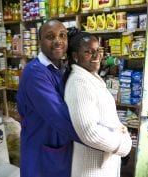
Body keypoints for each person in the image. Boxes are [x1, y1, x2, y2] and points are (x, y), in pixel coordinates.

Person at [16, 20, 81, 177]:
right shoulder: (35, 74)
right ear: (40, 42)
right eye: (50, 36)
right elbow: (60, 117)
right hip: (41, 153)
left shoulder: (60, 68)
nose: (58, 41)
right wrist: (103, 142)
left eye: (62, 35)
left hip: (58, 148)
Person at [64, 29, 132, 177]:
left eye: (98, 50)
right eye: (88, 52)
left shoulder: (91, 77)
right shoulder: (79, 83)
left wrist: (121, 130)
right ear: (75, 56)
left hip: (103, 166)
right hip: (91, 170)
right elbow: (89, 132)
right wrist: (123, 145)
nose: (96, 56)